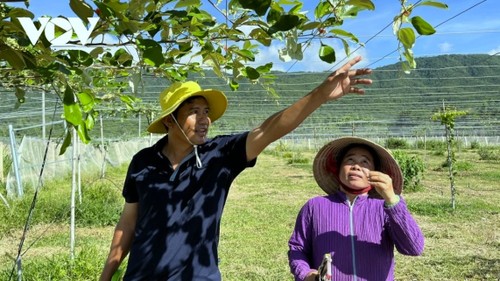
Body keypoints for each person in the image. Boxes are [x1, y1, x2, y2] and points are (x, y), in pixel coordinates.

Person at [99, 56, 373, 281]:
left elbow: (269, 129)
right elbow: (129, 222)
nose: (205, 119)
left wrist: (319, 95)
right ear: (170, 120)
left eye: (206, 112)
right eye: (194, 111)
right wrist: (107, 274)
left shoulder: (219, 156)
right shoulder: (143, 162)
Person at [288, 137, 425, 281]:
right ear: (338, 169)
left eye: (365, 162)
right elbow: (297, 249)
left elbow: (414, 248)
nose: (356, 166)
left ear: (375, 173)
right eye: (350, 160)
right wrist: (306, 274)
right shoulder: (315, 206)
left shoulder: (385, 209)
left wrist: (391, 199)